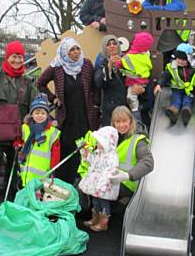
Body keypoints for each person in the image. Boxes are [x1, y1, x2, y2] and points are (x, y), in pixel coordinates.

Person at [0, 40, 37, 207]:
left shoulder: (28, 81)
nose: (17, 61)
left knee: (13, 165)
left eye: (20, 57)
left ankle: (9, 200)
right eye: (14, 57)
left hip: (18, 130)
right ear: (7, 57)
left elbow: (35, 104)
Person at [37, 38, 98, 184]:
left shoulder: (87, 65)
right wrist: (53, 99)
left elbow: (96, 86)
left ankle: (85, 192)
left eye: (78, 48)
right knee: (67, 155)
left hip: (86, 118)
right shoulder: (57, 67)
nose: (76, 52)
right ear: (65, 52)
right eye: (72, 49)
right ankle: (64, 189)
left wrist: (96, 104)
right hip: (67, 119)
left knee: (86, 153)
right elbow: (40, 83)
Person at [78, 126, 120, 232]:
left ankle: (103, 222)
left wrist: (104, 183)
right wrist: (87, 155)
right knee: (95, 201)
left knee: (103, 203)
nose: (97, 144)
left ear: (107, 142)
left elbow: (112, 170)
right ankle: (95, 218)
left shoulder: (112, 156)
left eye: (99, 142)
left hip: (105, 185)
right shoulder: (99, 152)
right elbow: (93, 163)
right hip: (96, 184)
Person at [154, 43, 195, 126]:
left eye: (183, 60)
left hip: (189, 91)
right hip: (176, 89)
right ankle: (173, 111)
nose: (180, 61)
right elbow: (165, 76)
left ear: (189, 59)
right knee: (176, 98)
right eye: (178, 58)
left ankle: (186, 111)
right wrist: (159, 84)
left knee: (188, 100)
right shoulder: (172, 67)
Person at [19, 94, 61, 188]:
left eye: (43, 113)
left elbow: (55, 152)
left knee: (37, 196)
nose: (40, 116)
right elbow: (21, 141)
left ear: (47, 115)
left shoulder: (51, 132)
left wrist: (53, 168)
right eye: (37, 113)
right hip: (26, 171)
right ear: (32, 115)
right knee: (26, 195)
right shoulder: (26, 128)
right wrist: (18, 144)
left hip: (42, 173)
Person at [142, 0, 189, 64]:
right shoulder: (149, 0)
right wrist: (161, 9)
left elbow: (179, 6)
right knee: (162, 63)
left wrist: (160, 9)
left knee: (178, 63)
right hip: (159, 38)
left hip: (176, 37)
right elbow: (144, 8)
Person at [117, 32, 153, 123]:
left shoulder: (129, 57)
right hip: (144, 82)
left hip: (133, 82)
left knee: (131, 98)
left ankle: (136, 114)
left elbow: (121, 63)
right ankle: (140, 110)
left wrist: (117, 63)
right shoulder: (145, 56)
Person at [94, 35, 127, 126]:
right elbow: (98, 83)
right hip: (110, 109)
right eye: (108, 45)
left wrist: (123, 65)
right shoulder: (101, 62)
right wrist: (109, 66)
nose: (112, 46)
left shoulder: (126, 60)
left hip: (126, 106)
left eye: (114, 43)